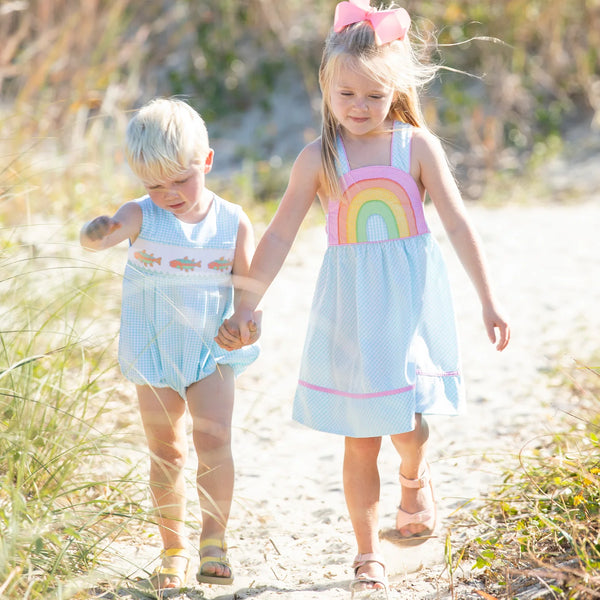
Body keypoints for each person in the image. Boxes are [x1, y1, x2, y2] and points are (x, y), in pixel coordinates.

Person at [216, 0, 510, 597]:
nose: (358, 107)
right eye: (346, 94)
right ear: (327, 86)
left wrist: (489, 298)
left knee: (408, 426)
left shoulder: (416, 148)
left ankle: (413, 476)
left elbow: (456, 222)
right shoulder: (319, 159)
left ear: (395, 91)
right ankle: (367, 551)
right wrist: (246, 302)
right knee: (359, 437)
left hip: (406, 311)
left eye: (373, 96)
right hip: (350, 314)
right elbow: (277, 235)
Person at [80, 98, 260, 592]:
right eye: (154, 185)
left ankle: (214, 540)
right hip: (155, 353)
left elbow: (248, 293)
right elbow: (104, 237)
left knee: (214, 442)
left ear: (206, 161)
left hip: (209, 355)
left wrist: (246, 324)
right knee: (166, 452)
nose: (169, 195)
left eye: (180, 180)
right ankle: (173, 546)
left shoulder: (232, 221)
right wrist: (95, 233)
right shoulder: (141, 215)